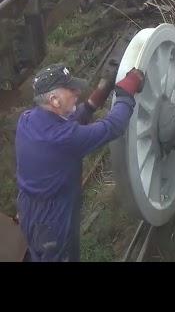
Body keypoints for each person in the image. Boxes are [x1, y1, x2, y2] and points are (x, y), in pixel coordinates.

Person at [15, 63, 145, 262]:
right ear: (54, 100)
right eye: (70, 89)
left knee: (39, 253)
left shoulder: (28, 120)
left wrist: (96, 99)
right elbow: (113, 127)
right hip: (53, 220)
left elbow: (68, 122)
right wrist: (126, 94)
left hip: (29, 210)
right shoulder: (63, 139)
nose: (77, 92)